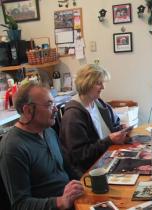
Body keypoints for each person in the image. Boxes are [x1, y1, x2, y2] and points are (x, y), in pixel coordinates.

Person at [0, 82, 84, 210]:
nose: (56, 109)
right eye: (49, 105)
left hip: (74, 202)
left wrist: (86, 183)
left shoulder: (48, 131)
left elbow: (68, 168)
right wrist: (60, 201)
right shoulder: (13, 148)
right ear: (28, 110)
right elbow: (20, 204)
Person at [60, 64, 129, 177]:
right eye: (98, 83)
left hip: (107, 159)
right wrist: (109, 140)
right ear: (86, 84)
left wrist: (121, 129)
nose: (103, 87)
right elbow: (81, 156)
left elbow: (114, 125)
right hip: (90, 171)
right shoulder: (73, 116)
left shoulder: (98, 103)